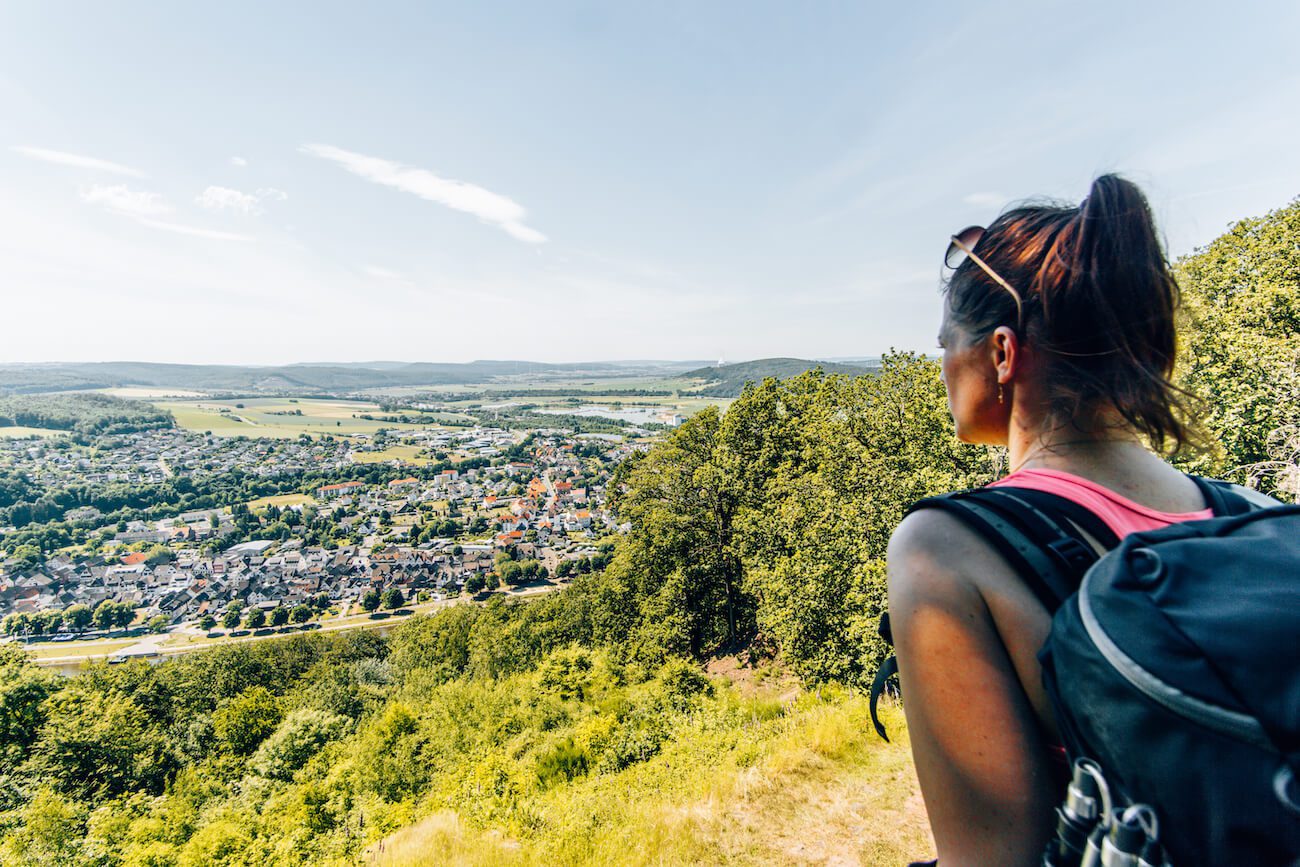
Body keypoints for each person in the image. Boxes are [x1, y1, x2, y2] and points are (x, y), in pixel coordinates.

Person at [886, 175, 1225, 866]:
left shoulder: (947, 551)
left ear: (1002, 354)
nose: (944, 365)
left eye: (947, 342)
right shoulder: (1247, 514)